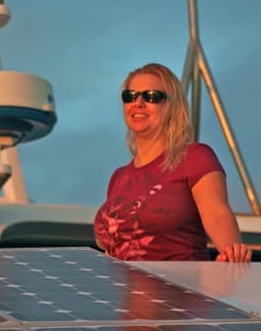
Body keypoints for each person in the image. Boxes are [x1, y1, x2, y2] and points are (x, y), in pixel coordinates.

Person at [94, 63, 252, 262]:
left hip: (178, 290)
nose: (138, 102)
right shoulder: (119, 177)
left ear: (172, 106)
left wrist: (232, 255)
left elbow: (217, 214)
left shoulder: (195, 158)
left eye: (151, 96)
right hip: (122, 290)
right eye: (130, 96)